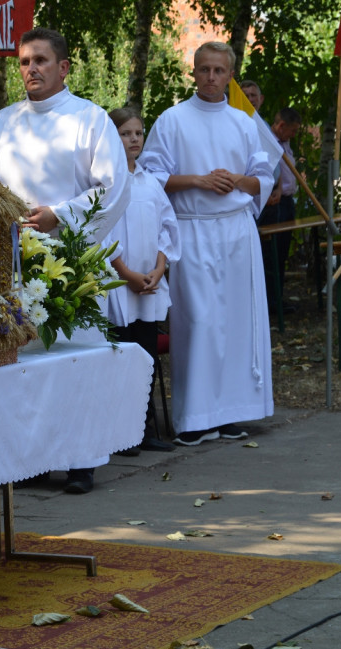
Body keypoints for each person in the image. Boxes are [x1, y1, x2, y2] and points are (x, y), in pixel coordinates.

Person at [0, 27, 130, 494]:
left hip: (69, 260)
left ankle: (81, 460)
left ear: (63, 67)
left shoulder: (90, 119)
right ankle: (30, 459)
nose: (30, 69)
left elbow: (113, 189)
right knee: (24, 366)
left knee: (73, 362)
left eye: (40, 60)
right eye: (23, 62)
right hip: (13, 262)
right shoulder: (2, 124)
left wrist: (59, 215)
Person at [137, 41, 275, 447]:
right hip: (193, 229)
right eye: (204, 70)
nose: (211, 78)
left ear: (230, 74)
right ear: (193, 73)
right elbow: (150, 175)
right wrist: (198, 180)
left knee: (235, 323)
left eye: (219, 70)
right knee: (198, 322)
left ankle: (233, 412)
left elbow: (262, 179)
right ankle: (195, 416)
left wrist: (237, 179)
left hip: (235, 230)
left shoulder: (244, 123)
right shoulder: (173, 120)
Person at [101, 108, 180, 453]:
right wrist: (126, 273)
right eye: (125, 133)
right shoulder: (108, 184)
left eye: (138, 133)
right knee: (123, 359)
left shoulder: (150, 182)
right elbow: (103, 234)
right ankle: (122, 433)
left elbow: (167, 227)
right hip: (122, 287)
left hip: (149, 285)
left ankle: (145, 428)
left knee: (147, 357)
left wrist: (160, 268)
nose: (133, 139)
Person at [257, 107, 302, 313]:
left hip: (286, 203)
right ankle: (269, 303)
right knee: (271, 255)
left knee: (281, 253)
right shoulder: (267, 142)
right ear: (281, 125)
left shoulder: (285, 143)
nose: (293, 135)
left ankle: (277, 298)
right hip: (273, 205)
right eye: (292, 130)